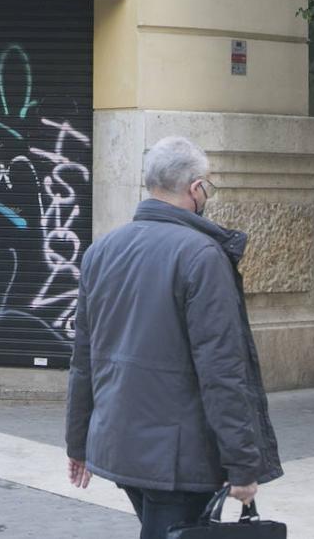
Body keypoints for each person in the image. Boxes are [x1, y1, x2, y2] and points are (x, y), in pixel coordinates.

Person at [65, 136, 282, 538]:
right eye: (208, 186)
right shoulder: (202, 256)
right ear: (196, 188)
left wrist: (77, 444)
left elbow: (83, 359)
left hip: (121, 445)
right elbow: (222, 371)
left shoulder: (102, 250)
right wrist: (242, 467)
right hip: (179, 460)